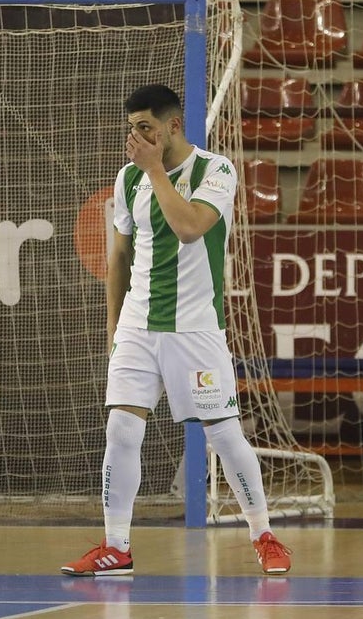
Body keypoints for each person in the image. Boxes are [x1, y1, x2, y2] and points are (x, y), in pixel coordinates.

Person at [60, 85, 291, 577]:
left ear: (172, 126)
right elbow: (119, 258)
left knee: (225, 437)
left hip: (195, 330)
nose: (136, 137)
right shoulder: (128, 180)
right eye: (131, 128)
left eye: (145, 126)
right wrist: (114, 328)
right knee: (120, 429)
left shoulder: (216, 170)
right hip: (138, 328)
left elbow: (189, 227)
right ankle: (116, 546)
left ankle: (264, 535)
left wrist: (156, 170)